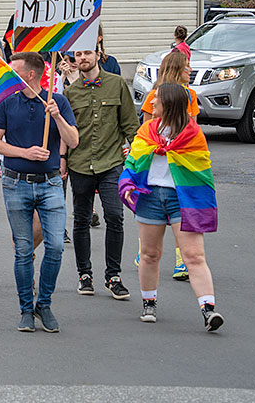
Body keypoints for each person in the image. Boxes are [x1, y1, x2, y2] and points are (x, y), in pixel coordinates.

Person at [120, 83, 223, 331]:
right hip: (150, 196)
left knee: (194, 256)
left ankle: (208, 310)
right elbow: (133, 161)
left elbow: (201, 169)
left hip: (183, 198)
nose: (152, 103)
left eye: (157, 99)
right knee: (149, 254)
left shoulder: (193, 134)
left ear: (170, 103)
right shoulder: (147, 130)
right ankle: (149, 303)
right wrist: (128, 182)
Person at [0, 51, 79, 332]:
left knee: (55, 246)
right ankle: (26, 309)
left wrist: (58, 117)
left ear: (30, 74)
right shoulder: (6, 102)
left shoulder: (58, 101)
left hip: (50, 183)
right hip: (15, 182)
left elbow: (73, 140)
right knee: (24, 249)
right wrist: (25, 152)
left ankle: (44, 304)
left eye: (14, 71)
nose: (8, 75)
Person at [63, 46, 139, 301]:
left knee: (115, 216)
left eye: (87, 53)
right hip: (80, 163)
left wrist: (140, 160)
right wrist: (61, 160)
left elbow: (130, 124)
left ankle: (113, 276)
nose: (82, 58)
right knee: (81, 219)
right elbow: (64, 131)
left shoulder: (117, 84)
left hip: (111, 163)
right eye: (78, 55)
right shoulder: (70, 93)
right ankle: (84, 275)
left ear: (97, 55)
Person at [138, 49, 197, 280]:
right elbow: (145, 130)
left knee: (181, 212)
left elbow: (193, 129)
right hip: (156, 162)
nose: (190, 70)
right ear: (177, 69)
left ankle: (182, 261)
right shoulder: (154, 94)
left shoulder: (190, 95)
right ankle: (144, 249)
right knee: (151, 210)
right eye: (187, 66)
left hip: (181, 162)